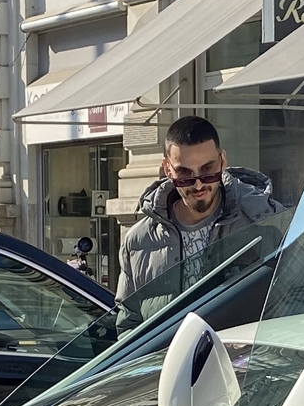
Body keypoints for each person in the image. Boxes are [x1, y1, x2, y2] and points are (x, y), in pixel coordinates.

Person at [115, 116, 279, 302]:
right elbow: (129, 323)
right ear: (167, 169)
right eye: (185, 174)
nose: (199, 184)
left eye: (207, 170)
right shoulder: (138, 241)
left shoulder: (265, 221)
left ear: (222, 161)